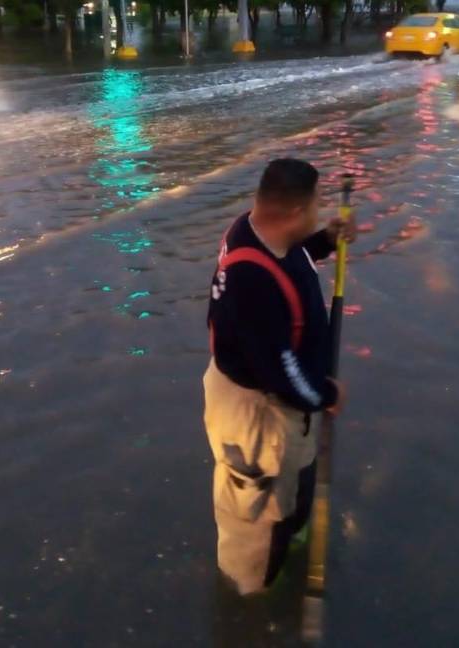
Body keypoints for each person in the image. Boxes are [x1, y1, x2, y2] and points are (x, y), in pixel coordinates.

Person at [203, 158, 355, 595]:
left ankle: (291, 535)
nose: (319, 209)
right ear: (292, 213)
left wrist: (326, 240)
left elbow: (297, 253)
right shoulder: (252, 279)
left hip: (286, 400)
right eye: (315, 205)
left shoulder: (260, 230)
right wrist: (324, 391)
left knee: (291, 500)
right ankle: (249, 604)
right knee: (254, 524)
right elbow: (282, 369)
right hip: (256, 415)